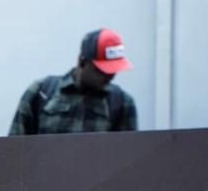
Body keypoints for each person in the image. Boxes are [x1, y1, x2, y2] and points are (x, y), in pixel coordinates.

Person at [9, 28, 138, 136]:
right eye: (103, 71)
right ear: (82, 62)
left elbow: (129, 159)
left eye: (114, 70)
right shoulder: (41, 92)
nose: (110, 77)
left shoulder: (122, 103)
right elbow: (14, 152)